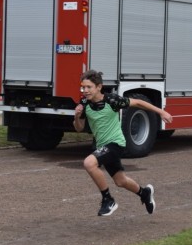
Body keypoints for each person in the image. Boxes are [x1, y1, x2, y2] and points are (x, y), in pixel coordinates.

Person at [73, 69, 173, 216]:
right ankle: (144, 193)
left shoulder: (112, 100)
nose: (85, 91)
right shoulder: (83, 103)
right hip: (103, 146)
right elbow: (79, 128)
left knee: (89, 163)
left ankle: (108, 200)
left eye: (89, 87)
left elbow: (138, 102)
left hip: (116, 144)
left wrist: (161, 112)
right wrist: (76, 116)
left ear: (99, 87)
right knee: (121, 181)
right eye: (83, 87)